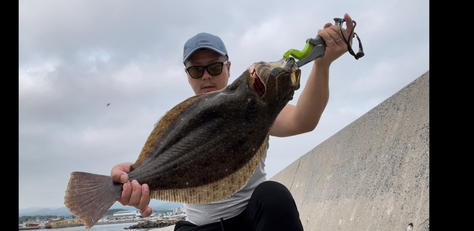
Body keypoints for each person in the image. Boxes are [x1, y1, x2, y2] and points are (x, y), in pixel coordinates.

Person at [111, 13, 356, 231]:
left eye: (215, 67)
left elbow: (303, 120)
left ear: (229, 68)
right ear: (187, 75)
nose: (206, 75)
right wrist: (127, 183)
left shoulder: (255, 108)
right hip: (199, 227)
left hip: (251, 219)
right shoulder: (178, 127)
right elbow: (150, 169)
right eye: (197, 70)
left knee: (274, 196)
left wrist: (322, 64)